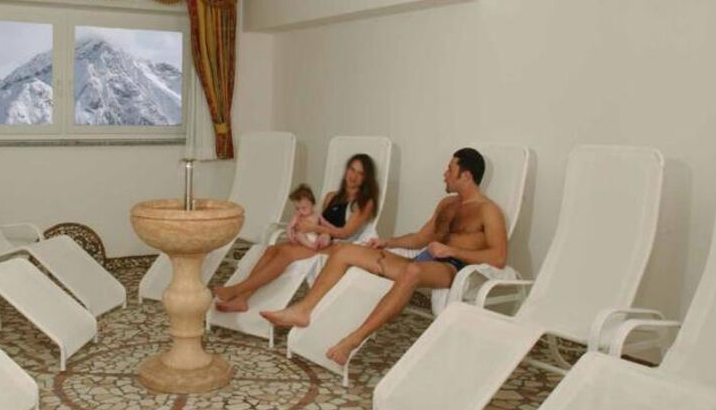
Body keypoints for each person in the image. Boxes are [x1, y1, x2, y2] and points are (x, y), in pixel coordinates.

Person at [261, 147, 506, 366]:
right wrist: (388, 242)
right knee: (345, 251)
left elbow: (498, 257)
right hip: (422, 260)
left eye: (450, 169)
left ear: (466, 175)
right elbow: (420, 238)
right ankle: (304, 310)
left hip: (451, 268)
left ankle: (353, 341)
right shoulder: (447, 204)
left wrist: (452, 251)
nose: (445, 174)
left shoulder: (488, 210)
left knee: (412, 271)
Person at [213, 154, 380, 313]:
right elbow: (319, 219)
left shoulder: (364, 203)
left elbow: (345, 233)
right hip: (318, 239)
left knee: (286, 253)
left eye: (360, 173)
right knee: (271, 250)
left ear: (366, 178)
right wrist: (301, 228)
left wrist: (315, 229)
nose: (353, 176)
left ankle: (236, 290)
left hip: (340, 246)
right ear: (346, 170)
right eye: (352, 169)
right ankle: (242, 299)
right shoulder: (331, 196)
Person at [286, 184, 331, 251]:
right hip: (303, 237)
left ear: (312, 205)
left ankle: (319, 244)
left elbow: (325, 224)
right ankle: (312, 246)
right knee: (298, 234)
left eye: (304, 208)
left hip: (315, 237)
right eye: (297, 208)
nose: (300, 211)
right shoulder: (297, 216)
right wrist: (290, 236)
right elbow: (289, 227)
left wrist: (327, 232)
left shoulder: (317, 215)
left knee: (326, 235)